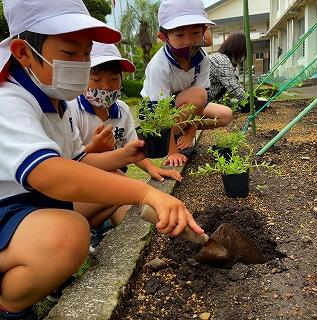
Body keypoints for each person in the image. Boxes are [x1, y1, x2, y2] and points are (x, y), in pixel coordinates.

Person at [0, 0, 203, 319]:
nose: (81, 64)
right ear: (24, 52)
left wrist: (123, 155)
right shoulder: (8, 100)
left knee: (115, 185)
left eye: (86, 53)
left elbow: (78, 163)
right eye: (70, 53)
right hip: (9, 208)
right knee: (68, 235)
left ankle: (38, 265)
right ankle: (10, 307)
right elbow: (48, 173)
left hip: (30, 206)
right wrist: (145, 192)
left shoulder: (56, 101)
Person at [69, 42, 183, 250]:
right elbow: (68, 163)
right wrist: (93, 147)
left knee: (138, 223)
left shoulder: (121, 109)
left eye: (114, 79)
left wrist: (152, 168)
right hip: (76, 193)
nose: (105, 87)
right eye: (96, 79)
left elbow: (133, 146)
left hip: (111, 187)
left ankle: (98, 229)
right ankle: (82, 232)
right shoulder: (72, 109)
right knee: (118, 181)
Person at [141, 0, 233, 167]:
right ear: (163, 37)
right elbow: (160, 114)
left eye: (195, 33)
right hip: (155, 120)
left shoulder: (202, 59)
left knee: (225, 114)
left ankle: (182, 132)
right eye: (179, 35)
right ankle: (170, 140)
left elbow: (201, 104)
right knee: (197, 94)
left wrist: (190, 135)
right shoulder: (158, 66)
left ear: (204, 32)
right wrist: (172, 151)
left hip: (183, 110)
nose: (189, 41)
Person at [208, 32, 247, 103]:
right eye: (243, 52)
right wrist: (251, 101)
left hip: (207, 99)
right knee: (227, 112)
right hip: (201, 101)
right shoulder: (222, 61)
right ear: (237, 49)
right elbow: (233, 86)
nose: (243, 56)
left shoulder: (226, 60)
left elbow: (235, 83)